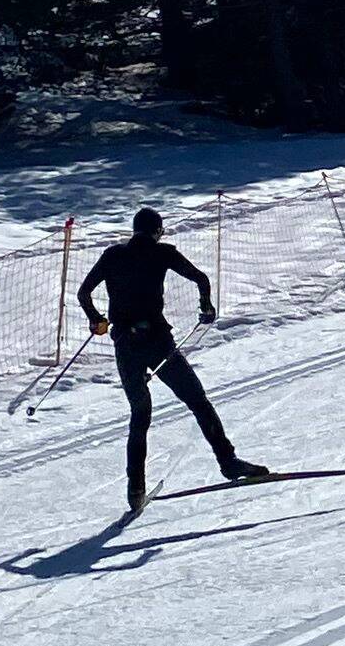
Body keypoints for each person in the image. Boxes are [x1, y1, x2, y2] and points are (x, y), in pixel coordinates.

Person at [77, 206, 270, 509]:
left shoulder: (112, 255)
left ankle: (135, 490)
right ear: (157, 231)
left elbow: (83, 293)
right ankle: (228, 461)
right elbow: (201, 278)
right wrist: (206, 307)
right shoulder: (163, 252)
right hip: (158, 342)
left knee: (140, 415)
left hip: (126, 346)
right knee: (197, 401)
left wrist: (95, 319)